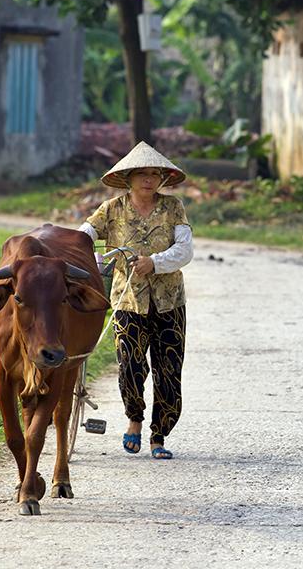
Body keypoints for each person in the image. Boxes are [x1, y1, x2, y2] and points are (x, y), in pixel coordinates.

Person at [78, 141, 193, 459]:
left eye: (154, 174)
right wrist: (83, 256)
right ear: (128, 178)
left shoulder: (173, 208)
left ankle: (159, 437)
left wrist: (154, 262)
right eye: (141, 174)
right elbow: (83, 234)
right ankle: (135, 419)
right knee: (130, 365)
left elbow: (185, 249)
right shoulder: (111, 210)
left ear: (161, 179)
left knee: (168, 368)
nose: (148, 179)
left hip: (169, 301)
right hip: (127, 301)